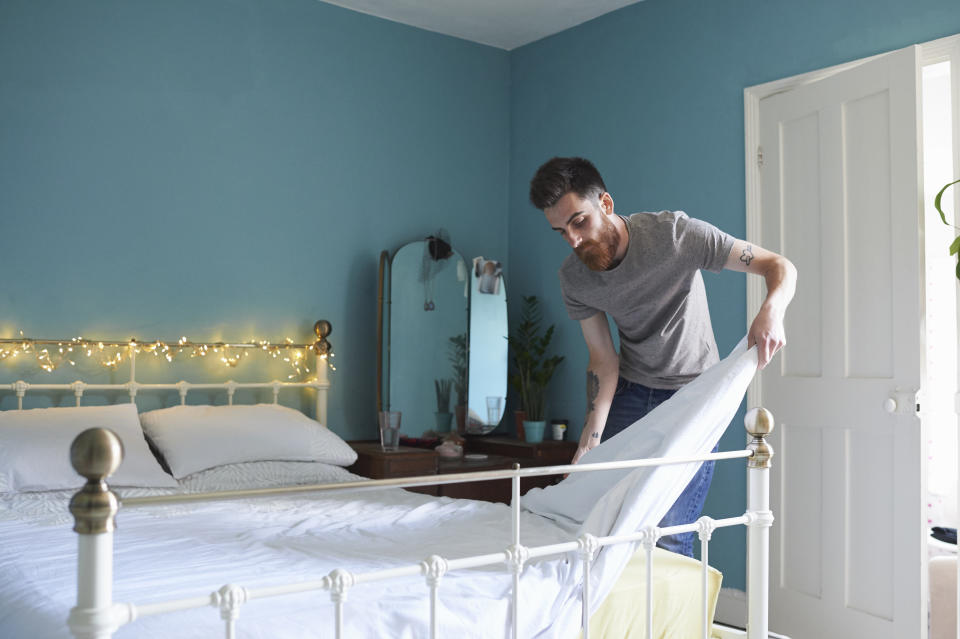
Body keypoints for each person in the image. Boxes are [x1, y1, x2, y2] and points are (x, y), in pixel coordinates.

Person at [528, 156, 796, 557]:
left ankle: (675, 621)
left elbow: (779, 266)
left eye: (578, 222)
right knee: (605, 523)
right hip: (632, 393)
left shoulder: (675, 235)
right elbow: (603, 359)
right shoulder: (575, 278)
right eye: (560, 231)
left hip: (694, 396)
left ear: (605, 203)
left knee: (670, 533)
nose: (573, 240)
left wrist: (770, 312)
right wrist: (591, 437)